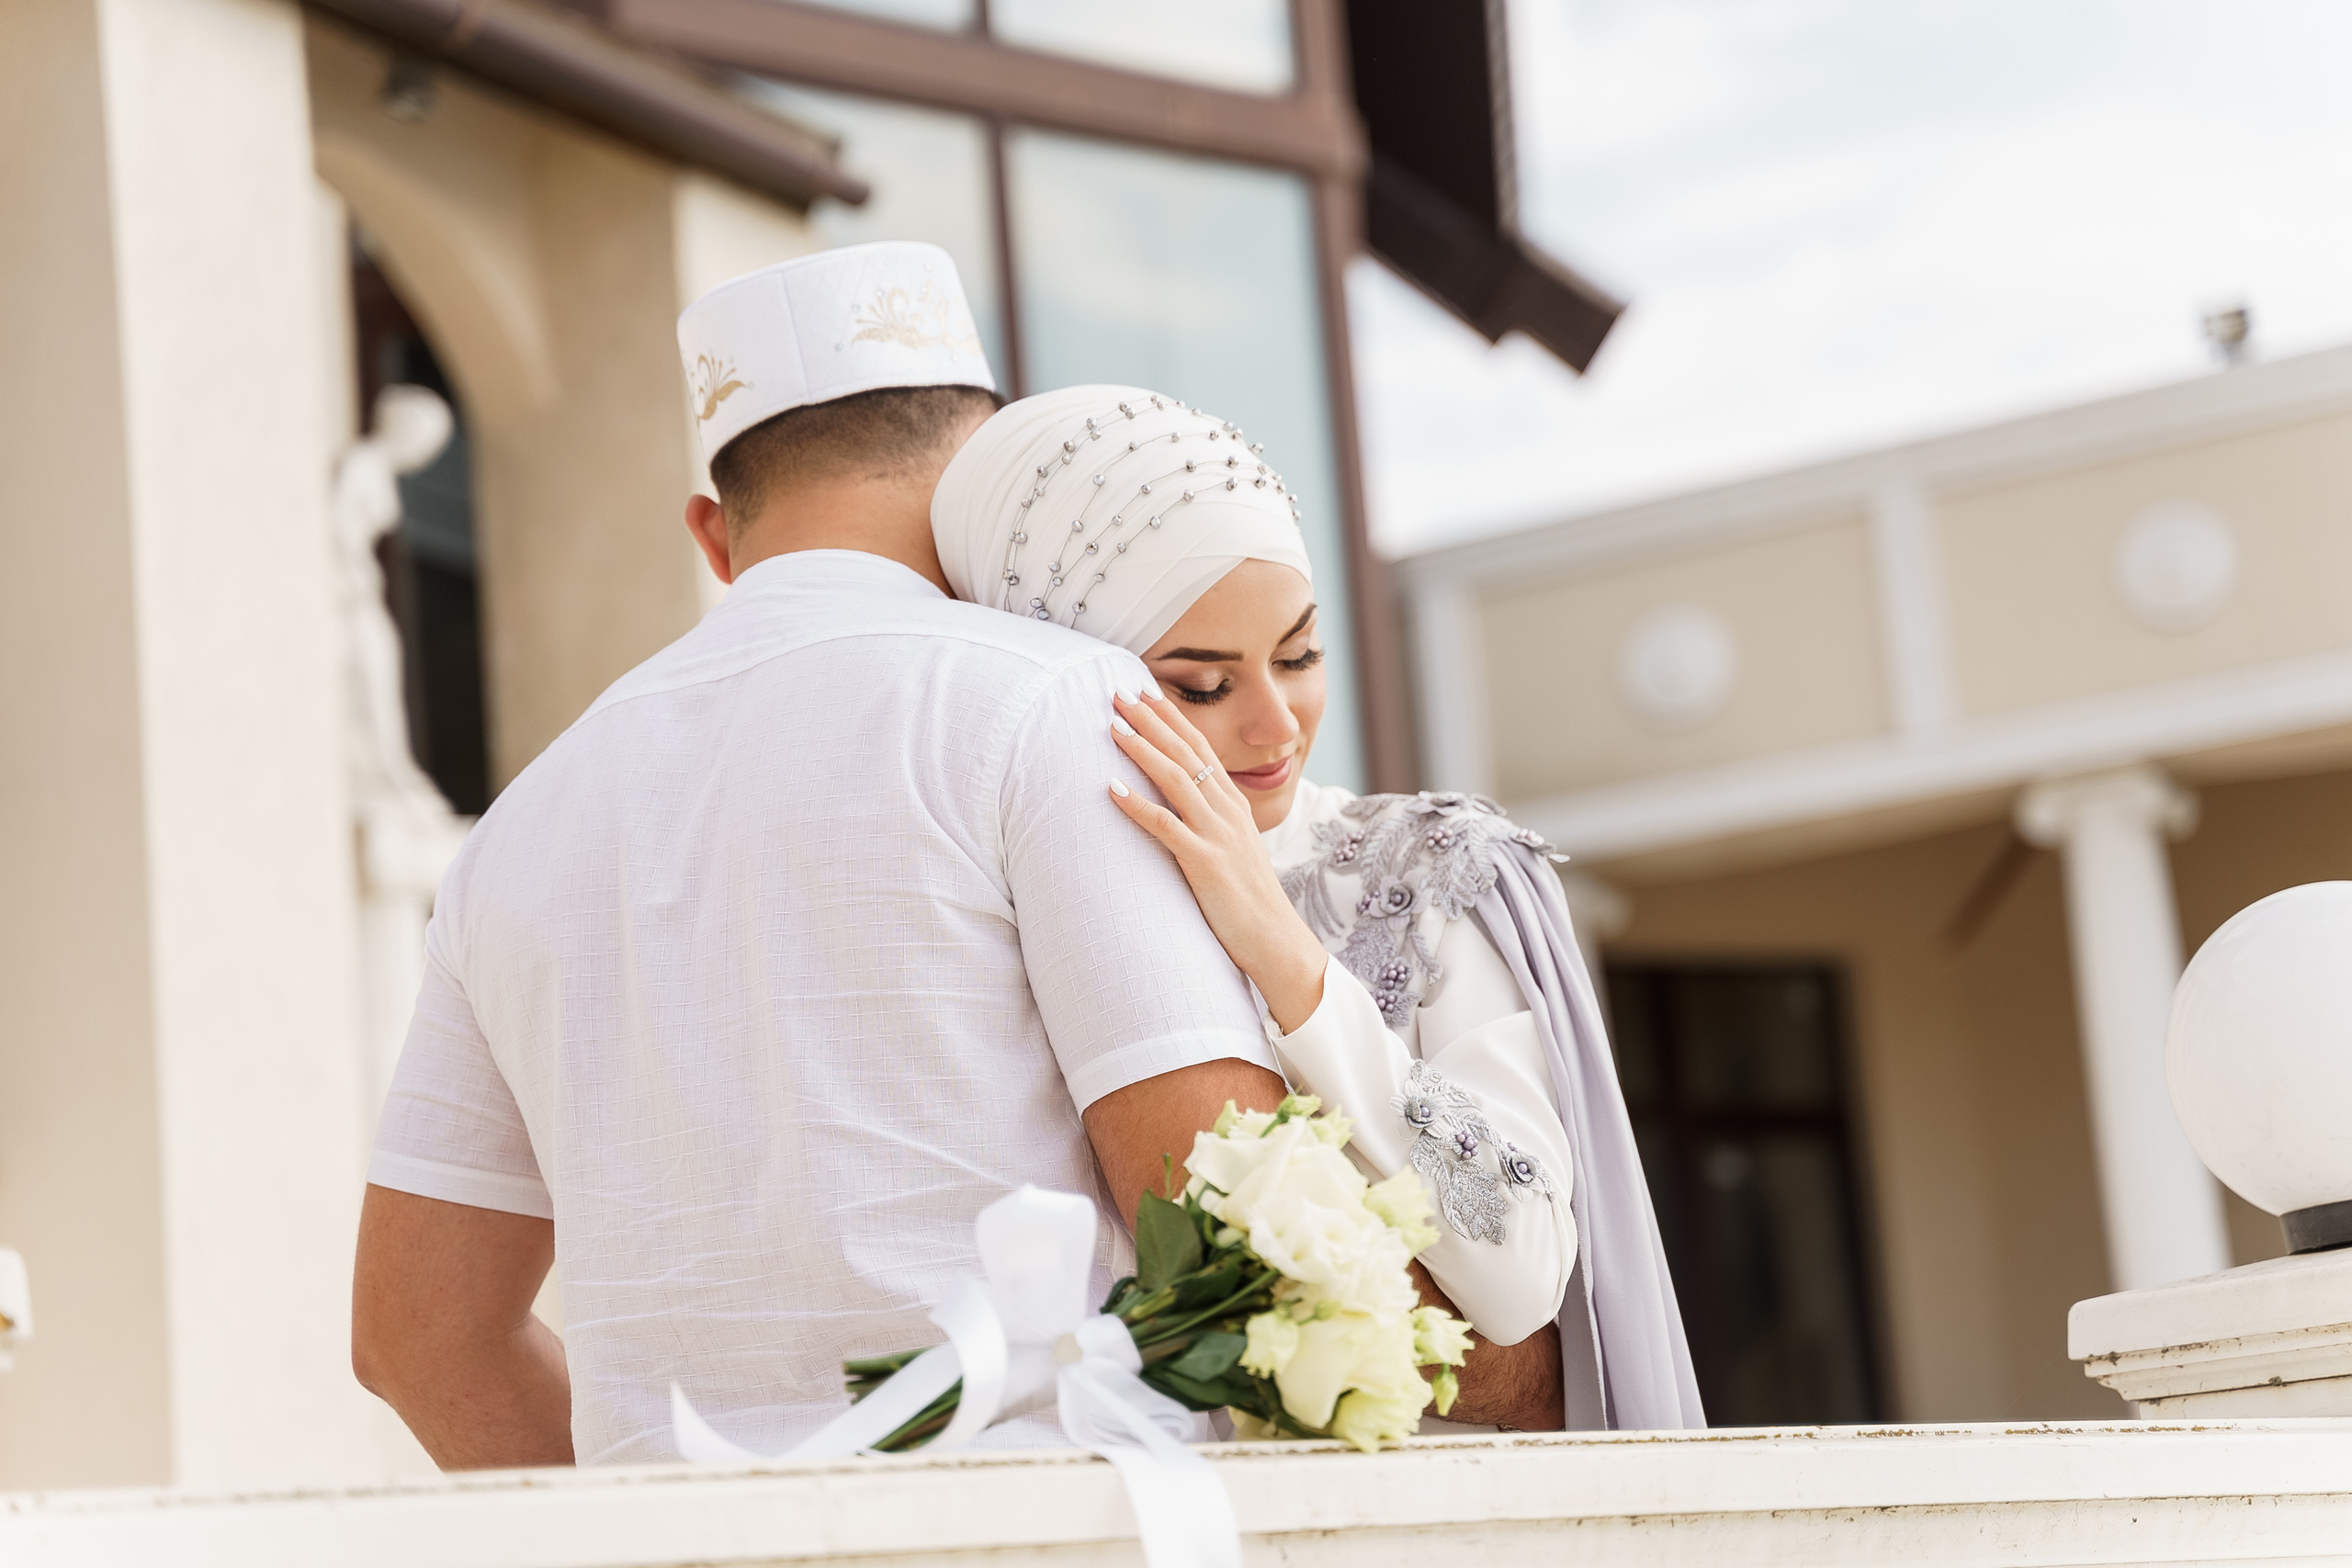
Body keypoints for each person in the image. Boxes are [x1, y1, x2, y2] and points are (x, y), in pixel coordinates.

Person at [352, 245, 1316, 1469]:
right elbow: (1223, 1223)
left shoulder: (517, 825)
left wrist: (663, 1533)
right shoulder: (1061, 703)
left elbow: (414, 1336)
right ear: (989, 468)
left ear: (712, 531)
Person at [933, 385, 1705, 1431]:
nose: (1275, 723)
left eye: (1298, 656)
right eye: (1201, 686)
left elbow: (1522, 1274)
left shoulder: (1422, 869)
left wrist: (1287, 959)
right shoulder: (1026, 911)